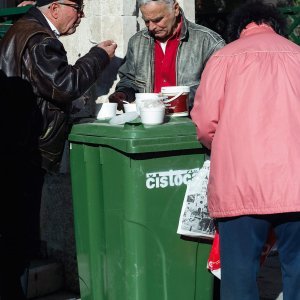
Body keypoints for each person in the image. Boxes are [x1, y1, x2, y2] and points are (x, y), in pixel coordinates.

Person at [0, 0, 117, 299]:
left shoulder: (22, 31)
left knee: (15, 241)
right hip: (26, 152)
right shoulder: (40, 40)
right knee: (17, 243)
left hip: (17, 148)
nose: (82, 14)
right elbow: (65, 84)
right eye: (77, 7)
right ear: (54, 8)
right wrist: (98, 56)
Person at [190, 1, 300, 299]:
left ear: (240, 28)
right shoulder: (297, 56)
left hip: (240, 188)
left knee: (239, 279)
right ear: (277, 26)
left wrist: (227, 148)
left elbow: (204, 124)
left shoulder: (223, 58)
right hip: (296, 186)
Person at [108, 0, 225, 111]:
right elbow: (129, 79)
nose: (151, 27)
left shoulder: (209, 42)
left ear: (175, 9)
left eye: (157, 20)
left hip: (191, 125)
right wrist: (123, 93)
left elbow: (219, 91)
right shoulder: (137, 41)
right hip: (149, 124)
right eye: (147, 21)